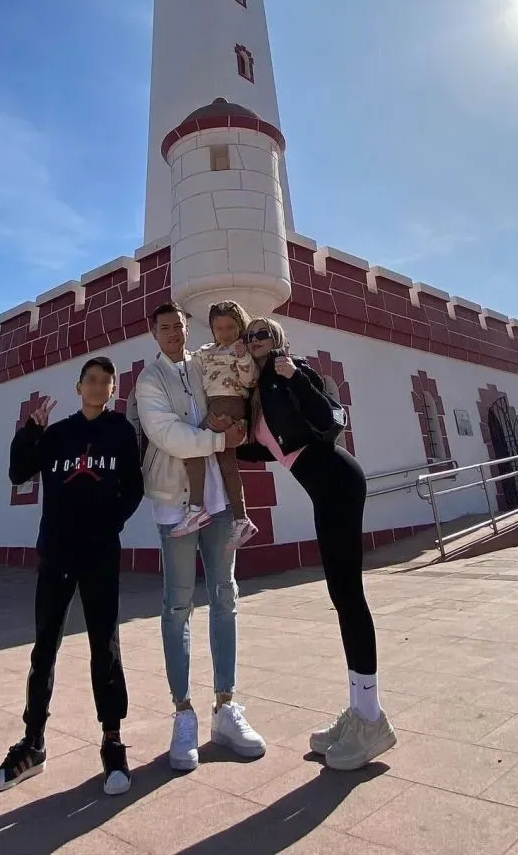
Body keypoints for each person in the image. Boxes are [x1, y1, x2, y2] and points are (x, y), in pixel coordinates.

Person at [237, 317, 396, 771]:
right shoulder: (261, 389)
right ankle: (359, 710)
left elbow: (330, 421)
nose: (255, 341)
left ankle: (371, 720)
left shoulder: (293, 370)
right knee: (340, 596)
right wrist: (226, 447)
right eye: (250, 337)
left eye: (262, 334)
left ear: (279, 340)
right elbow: (277, 447)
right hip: (322, 486)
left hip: (339, 480)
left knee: (349, 595)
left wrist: (296, 378)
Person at [0, 356, 144, 797]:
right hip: (56, 552)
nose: (97, 387)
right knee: (45, 647)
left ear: (113, 391)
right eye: (91, 380)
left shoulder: (120, 432)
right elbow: (19, 473)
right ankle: (33, 742)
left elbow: (133, 487)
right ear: (80, 387)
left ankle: (112, 741)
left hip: (99, 553)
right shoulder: (56, 434)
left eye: (105, 382)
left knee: (104, 646)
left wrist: (110, 522)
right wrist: (30, 432)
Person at [135, 301, 266, 772]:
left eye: (178, 326)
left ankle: (226, 705)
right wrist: (218, 440)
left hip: (217, 498)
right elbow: (166, 434)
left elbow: (239, 386)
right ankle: (183, 712)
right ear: (154, 334)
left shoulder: (205, 362)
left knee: (225, 596)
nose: (174, 333)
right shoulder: (150, 380)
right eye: (165, 328)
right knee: (177, 605)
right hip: (175, 503)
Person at [176, 300, 259, 550]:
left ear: (239, 326)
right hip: (215, 405)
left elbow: (250, 379)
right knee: (227, 464)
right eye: (219, 327)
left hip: (230, 404)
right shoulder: (207, 350)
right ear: (212, 328)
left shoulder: (239, 350)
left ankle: (196, 508)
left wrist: (243, 356)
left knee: (193, 449)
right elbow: (189, 362)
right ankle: (241, 518)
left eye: (230, 327)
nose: (224, 333)